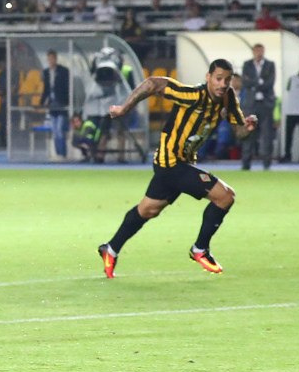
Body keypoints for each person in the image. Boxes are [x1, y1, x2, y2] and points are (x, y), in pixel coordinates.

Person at [96, 59, 256, 277]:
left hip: (180, 163)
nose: (222, 84)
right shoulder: (193, 96)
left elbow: (239, 132)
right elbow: (153, 83)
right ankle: (200, 249)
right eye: (218, 79)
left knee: (148, 209)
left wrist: (248, 128)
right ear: (208, 77)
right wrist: (125, 108)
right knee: (226, 196)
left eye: (227, 80)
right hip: (171, 163)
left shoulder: (228, 98)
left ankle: (111, 248)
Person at [240, 43, 276, 170]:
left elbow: (270, 83)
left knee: (266, 135)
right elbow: (245, 82)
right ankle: (246, 164)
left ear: (263, 51)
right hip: (251, 105)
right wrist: (259, 82)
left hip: (265, 104)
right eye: (256, 51)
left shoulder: (270, 65)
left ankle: (266, 164)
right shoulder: (247, 65)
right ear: (253, 52)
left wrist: (254, 84)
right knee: (248, 134)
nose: (259, 53)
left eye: (261, 51)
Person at [40, 49, 71, 159]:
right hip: (52, 105)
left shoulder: (63, 71)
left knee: (59, 130)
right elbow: (46, 89)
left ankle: (63, 154)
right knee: (54, 131)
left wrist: (67, 102)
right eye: (49, 59)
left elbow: (67, 88)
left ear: (55, 59)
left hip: (62, 104)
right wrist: (42, 102)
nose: (50, 61)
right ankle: (58, 154)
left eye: (52, 59)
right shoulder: (46, 72)